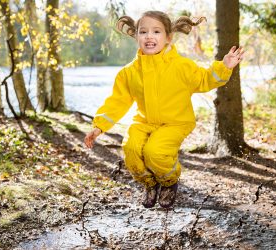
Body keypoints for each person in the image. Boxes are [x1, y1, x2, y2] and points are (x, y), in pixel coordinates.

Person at [84, 11, 244, 209]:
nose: (149, 36)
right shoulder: (128, 72)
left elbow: (204, 80)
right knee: (131, 149)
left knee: (155, 152)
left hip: (175, 122)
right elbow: (117, 102)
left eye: (156, 32)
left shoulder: (181, 66)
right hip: (143, 122)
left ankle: (169, 182)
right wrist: (98, 127)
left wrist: (224, 67)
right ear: (136, 36)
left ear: (168, 37)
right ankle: (150, 184)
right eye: (143, 32)